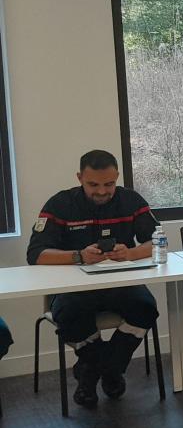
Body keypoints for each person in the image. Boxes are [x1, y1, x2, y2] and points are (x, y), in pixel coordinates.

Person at [26, 150, 160, 408]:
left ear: (117, 177)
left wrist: (130, 253)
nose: (102, 191)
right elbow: (36, 254)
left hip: (120, 283)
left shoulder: (131, 200)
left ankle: (94, 371)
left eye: (109, 184)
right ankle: (107, 372)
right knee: (70, 314)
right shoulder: (60, 204)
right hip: (73, 289)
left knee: (146, 307)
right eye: (93, 185)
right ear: (79, 178)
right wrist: (78, 256)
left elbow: (158, 242)